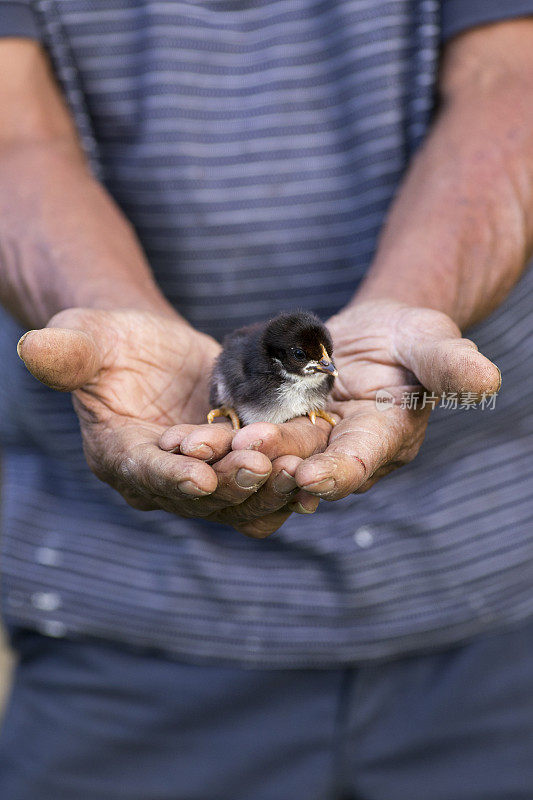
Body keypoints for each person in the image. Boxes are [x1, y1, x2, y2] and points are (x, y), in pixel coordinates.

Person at [0, 1, 532, 797]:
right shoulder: (255, 375)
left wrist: (416, 305)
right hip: (126, 622)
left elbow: (511, 79)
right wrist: (105, 308)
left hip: (489, 584)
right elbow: (14, 132)